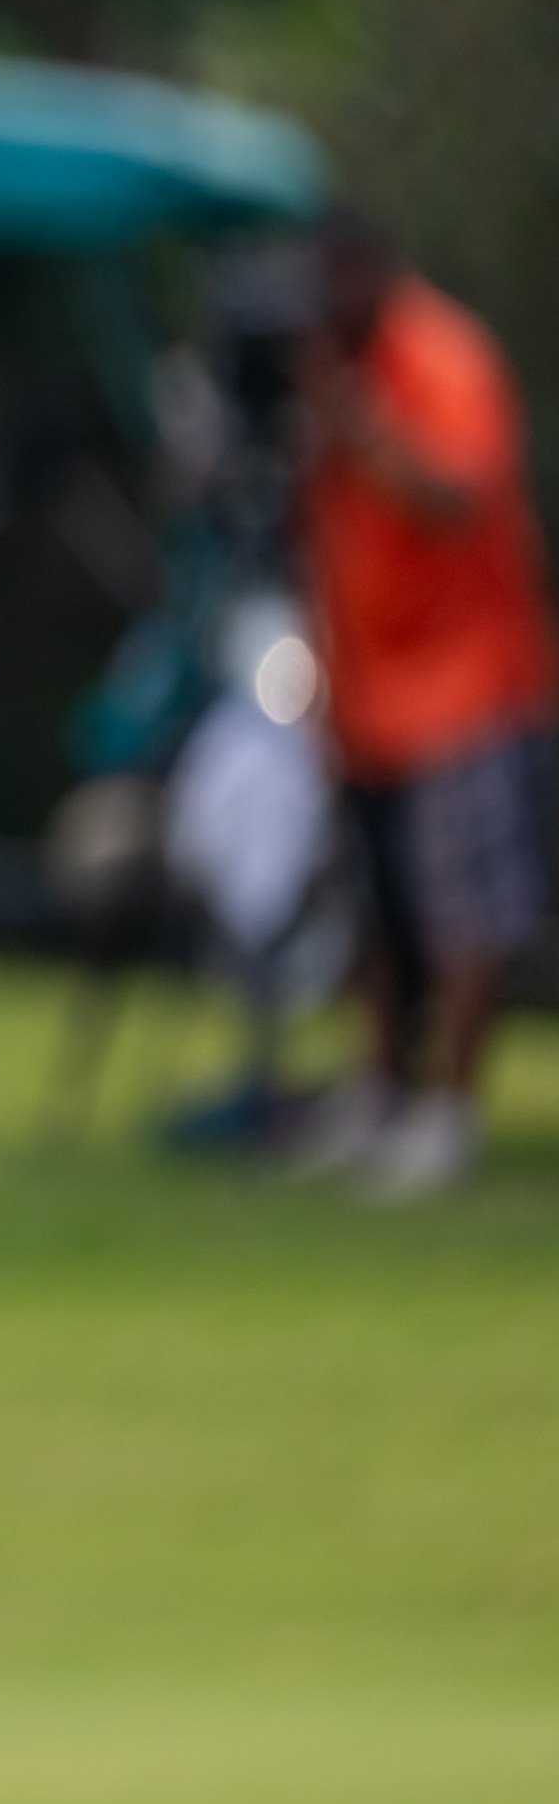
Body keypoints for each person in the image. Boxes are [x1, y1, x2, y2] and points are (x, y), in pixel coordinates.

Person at [291, 208, 553, 1197]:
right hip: (367, 697)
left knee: (463, 916)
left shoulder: (440, 358)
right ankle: (382, 1094)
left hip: (463, 689)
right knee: (377, 915)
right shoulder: (333, 372)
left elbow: (459, 496)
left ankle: (451, 1112)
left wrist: (356, 424)